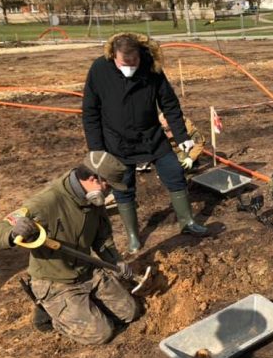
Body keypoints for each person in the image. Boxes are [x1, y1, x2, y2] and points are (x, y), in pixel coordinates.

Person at [0, 151, 139, 345]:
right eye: (108, 186)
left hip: (87, 271)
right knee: (101, 334)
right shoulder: (47, 201)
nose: (109, 192)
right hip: (56, 281)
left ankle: (83, 307)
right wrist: (13, 232)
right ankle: (50, 312)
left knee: (130, 313)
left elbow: (102, 238)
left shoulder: (93, 199)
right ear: (94, 179)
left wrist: (115, 260)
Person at [82, 32, 208, 253]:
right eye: (124, 63)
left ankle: (187, 222)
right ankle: (133, 235)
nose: (130, 67)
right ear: (113, 56)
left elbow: (169, 103)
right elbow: (90, 111)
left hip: (152, 137)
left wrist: (182, 137)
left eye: (134, 62)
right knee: (123, 187)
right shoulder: (99, 70)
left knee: (175, 174)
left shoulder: (151, 68)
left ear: (140, 56)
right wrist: (96, 149)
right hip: (116, 141)